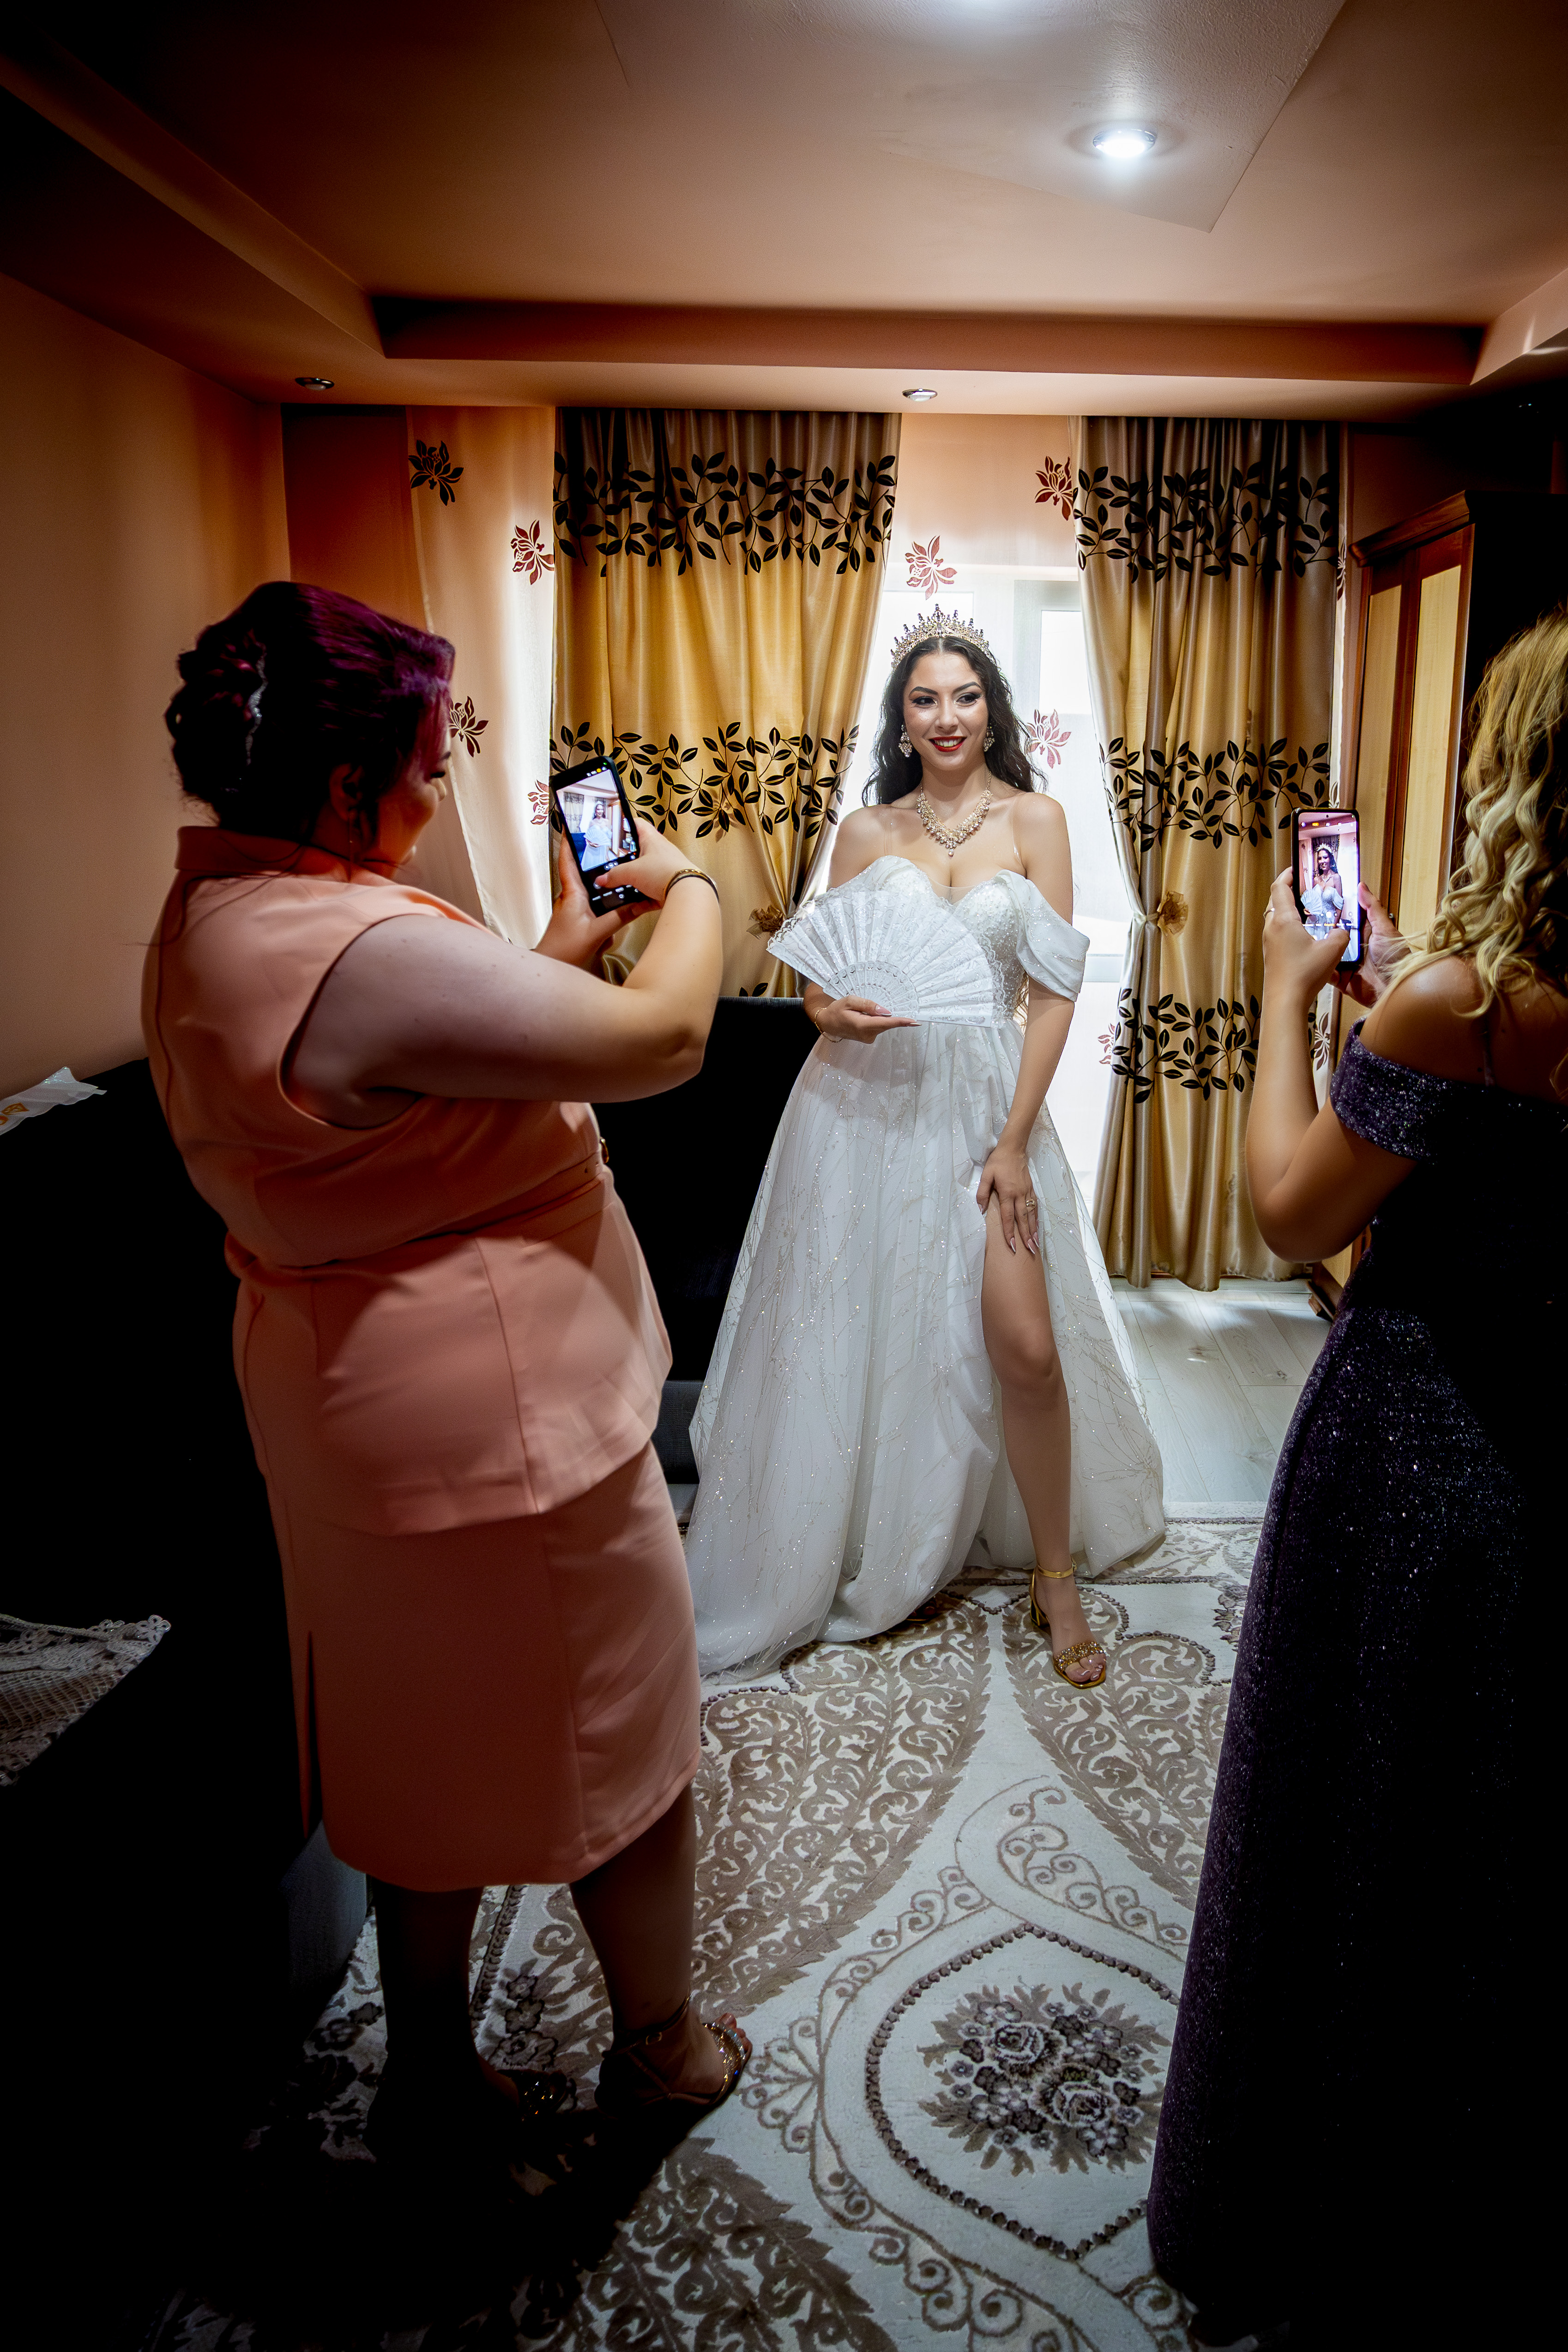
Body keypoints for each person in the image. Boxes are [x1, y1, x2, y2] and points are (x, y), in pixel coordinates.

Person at [1149, 603, 1568, 2346]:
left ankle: (1330, 2183)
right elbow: (1551, 1162)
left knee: (1367, 1789)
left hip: (1422, 1430)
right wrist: (1395, 1033)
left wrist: (1289, 1000)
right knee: (1539, 1796)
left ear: (1530, 769)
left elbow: (1289, 1212)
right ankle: (1525, 2157)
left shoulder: (1457, 1001)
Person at [145, 581, 747, 2169]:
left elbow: (392, 1090)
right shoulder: (344, 943)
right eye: (421, 768)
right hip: (504, 1425)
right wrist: (690, 883)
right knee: (618, 1722)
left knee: (416, 1737)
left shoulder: (221, 916)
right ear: (346, 787)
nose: (432, 792)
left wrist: (554, 950)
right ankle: (664, 2046)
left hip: (355, 1411)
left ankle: (427, 2065)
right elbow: (667, 1040)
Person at [684, 611, 1164, 1684]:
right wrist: (834, 1014)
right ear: (901, 719)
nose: (947, 716)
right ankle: (854, 1537)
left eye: (966, 695)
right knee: (858, 1331)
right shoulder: (867, 831)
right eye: (924, 698)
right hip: (863, 1104)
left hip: (990, 1104)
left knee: (1026, 1346)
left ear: (993, 708)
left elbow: (1052, 996)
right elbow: (819, 987)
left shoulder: (1037, 819)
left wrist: (1013, 1141)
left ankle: (1054, 1578)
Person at [1299, 837, 1345, 936]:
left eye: (1325, 857)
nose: (1322, 861)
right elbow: (1313, 902)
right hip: (1314, 921)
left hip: (1330, 922)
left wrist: (1334, 926)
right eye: (1320, 858)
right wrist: (1307, 910)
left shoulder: (1336, 878)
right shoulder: (1316, 880)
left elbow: (1339, 907)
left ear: (1331, 859)